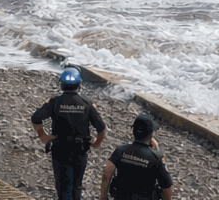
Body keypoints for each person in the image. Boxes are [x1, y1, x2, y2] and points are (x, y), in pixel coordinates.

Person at [31, 68, 106, 200]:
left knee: (63, 186)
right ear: (79, 85)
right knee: (77, 185)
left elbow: (36, 118)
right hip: (80, 150)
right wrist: (96, 143)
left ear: (61, 84)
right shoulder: (87, 103)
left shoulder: (54, 102)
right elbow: (101, 128)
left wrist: (43, 135)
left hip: (60, 149)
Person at [100, 114, 173, 200]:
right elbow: (167, 188)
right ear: (151, 134)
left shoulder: (121, 150)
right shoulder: (156, 158)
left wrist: (103, 197)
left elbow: (107, 172)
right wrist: (157, 150)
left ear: (133, 131)